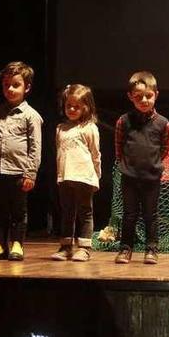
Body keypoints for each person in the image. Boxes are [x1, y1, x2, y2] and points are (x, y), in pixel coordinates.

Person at [0, 62, 43, 261]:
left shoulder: (31, 116)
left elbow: (35, 147)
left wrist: (30, 174)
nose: (10, 89)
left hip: (19, 173)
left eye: (15, 85)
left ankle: (17, 244)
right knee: (0, 210)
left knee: (18, 212)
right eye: (6, 85)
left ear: (27, 87)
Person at [115, 71, 169, 264]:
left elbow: (164, 147)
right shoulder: (124, 121)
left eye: (148, 96)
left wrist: (152, 163)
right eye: (138, 97)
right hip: (129, 176)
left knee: (150, 215)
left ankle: (151, 249)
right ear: (130, 97)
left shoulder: (162, 123)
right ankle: (125, 249)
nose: (144, 100)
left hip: (152, 177)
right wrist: (128, 165)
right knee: (129, 214)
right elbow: (119, 147)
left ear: (156, 94)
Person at [53, 84, 101, 261]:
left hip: (84, 178)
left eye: (77, 106)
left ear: (86, 107)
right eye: (68, 106)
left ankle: (85, 247)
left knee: (85, 212)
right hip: (65, 177)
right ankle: (66, 246)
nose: (72, 109)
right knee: (67, 212)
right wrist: (60, 176)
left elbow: (96, 154)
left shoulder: (89, 128)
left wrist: (96, 175)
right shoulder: (60, 128)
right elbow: (60, 154)